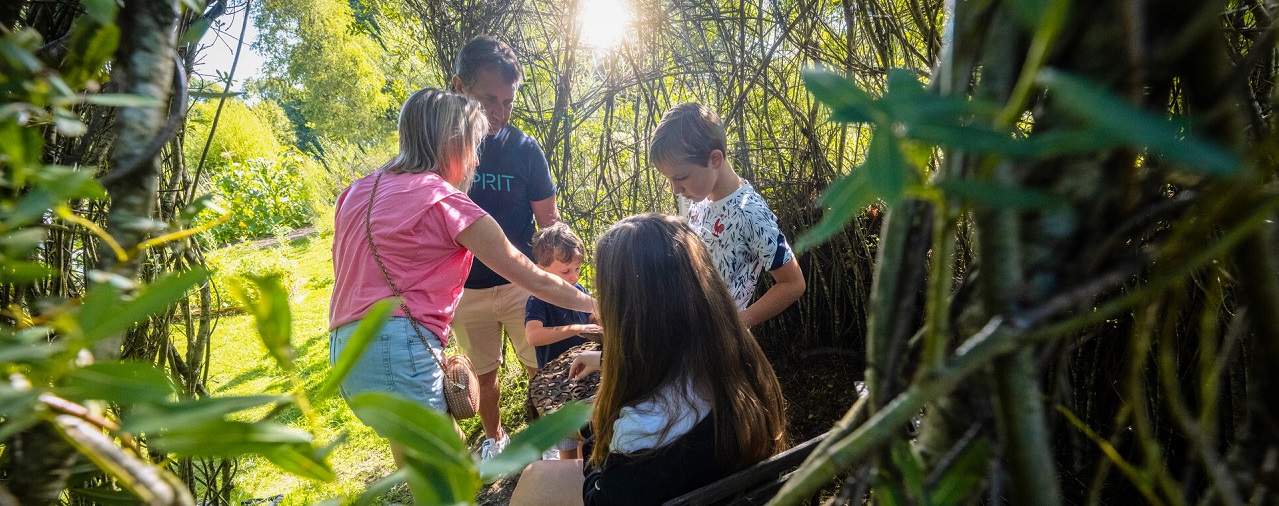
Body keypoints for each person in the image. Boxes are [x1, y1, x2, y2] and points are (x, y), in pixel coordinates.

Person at [327, 88, 595, 470]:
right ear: (454, 144)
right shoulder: (441, 198)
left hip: (347, 351)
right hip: (397, 350)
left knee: (416, 464)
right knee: (448, 474)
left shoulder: (356, 192)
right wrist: (594, 304)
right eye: (473, 144)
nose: (474, 159)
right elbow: (530, 274)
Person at [510, 214, 789, 506]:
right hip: (720, 484)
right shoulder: (736, 359)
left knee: (534, 479)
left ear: (629, 316)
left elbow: (599, 498)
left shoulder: (641, 430)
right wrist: (606, 360)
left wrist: (597, 435)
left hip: (664, 486)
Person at [449, 34, 558, 459]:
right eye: (487, 100)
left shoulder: (525, 150)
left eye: (507, 102)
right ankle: (495, 440)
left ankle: (549, 441)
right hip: (465, 289)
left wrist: (560, 277)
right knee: (484, 375)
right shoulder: (442, 152)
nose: (498, 113)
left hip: (520, 284)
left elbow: (548, 220)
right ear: (459, 87)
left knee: (541, 368)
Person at [649, 103, 806, 328]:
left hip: (721, 349)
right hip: (692, 336)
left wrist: (736, 326)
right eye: (670, 180)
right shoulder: (699, 199)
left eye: (681, 177)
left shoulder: (751, 213)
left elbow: (793, 283)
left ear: (715, 159)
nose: (675, 189)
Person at [524, 222, 602, 460]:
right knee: (567, 444)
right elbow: (533, 336)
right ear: (541, 270)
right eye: (565, 271)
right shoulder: (538, 300)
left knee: (586, 440)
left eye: (577, 269)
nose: (574, 277)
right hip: (558, 387)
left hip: (585, 381)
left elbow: (593, 316)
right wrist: (575, 328)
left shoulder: (578, 289)